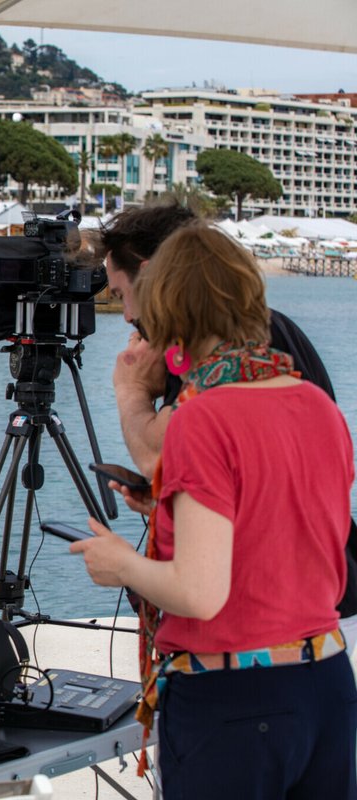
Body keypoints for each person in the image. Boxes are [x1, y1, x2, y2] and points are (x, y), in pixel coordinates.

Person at [72, 224, 356, 798]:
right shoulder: (317, 407)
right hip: (327, 686)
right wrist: (175, 506)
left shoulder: (203, 417)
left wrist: (120, 563)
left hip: (235, 704)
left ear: (170, 307)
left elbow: (200, 593)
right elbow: (285, 528)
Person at [99, 203, 357, 643]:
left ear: (156, 279)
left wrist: (131, 390)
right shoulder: (303, 392)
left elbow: (156, 458)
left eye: (122, 293)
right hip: (321, 618)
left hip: (252, 639)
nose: (127, 316)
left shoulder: (209, 400)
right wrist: (180, 504)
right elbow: (261, 488)